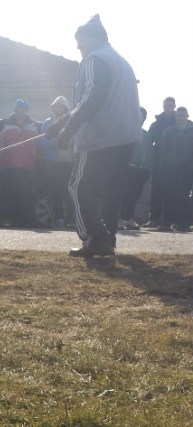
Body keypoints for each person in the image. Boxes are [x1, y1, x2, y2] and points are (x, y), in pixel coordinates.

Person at [47, 14, 142, 257]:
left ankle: (93, 238)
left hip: (99, 138)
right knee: (111, 191)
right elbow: (97, 99)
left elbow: (92, 98)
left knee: (78, 187)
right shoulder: (119, 61)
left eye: (79, 40)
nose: (77, 46)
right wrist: (61, 123)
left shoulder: (94, 59)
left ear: (91, 38)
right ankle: (107, 240)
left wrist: (68, 130)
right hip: (125, 137)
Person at [0, 98, 40, 226]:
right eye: (18, 109)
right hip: (8, 165)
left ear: (26, 111)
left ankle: (23, 220)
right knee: (9, 194)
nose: (20, 112)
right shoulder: (4, 123)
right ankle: (10, 220)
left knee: (25, 194)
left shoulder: (34, 125)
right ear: (15, 110)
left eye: (23, 109)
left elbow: (39, 146)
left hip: (27, 166)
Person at [37, 96, 75, 228]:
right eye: (56, 107)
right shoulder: (48, 123)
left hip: (69, 161)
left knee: (69, 191)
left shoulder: (71, 121)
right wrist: (56, 142)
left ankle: (71, 218)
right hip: (53, 162)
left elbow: (74, 140)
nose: (58, 109)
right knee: (55, 190)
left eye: (61, 106)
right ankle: (59, 218)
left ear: (66, 108)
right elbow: (42, 140)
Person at [156, 106, 192, 232]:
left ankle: (183, 223)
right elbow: (162, 150)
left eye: (182, 115)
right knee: (168, 195)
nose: (180, 117)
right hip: (170, 167)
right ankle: (166, 222)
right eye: (178, 115)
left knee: (183, 196)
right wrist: (162, 167)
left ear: (187, 116)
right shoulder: (168, 131)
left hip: (187, 168)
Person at [142, 97, 177, 228]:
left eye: (170, 105)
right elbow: (149, 144)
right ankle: (154, 219)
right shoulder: (156, 125)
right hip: (159, 163)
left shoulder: (178, 123)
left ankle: (172, 220)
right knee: (156, 192)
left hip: (175, 164)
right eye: (166, 105)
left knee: (173, 192)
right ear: (163, 106)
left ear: (174, 106)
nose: (168, 107)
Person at [117, 107, 152, 230]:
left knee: (135, 195)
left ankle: (129, 218)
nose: (140, 118)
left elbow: (149, 151)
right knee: (125, 194)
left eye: (142, 116)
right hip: (127, 167)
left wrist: (147, 167)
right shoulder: (127, 132)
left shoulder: (147, 134)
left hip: (141, 169)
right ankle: (121, 219)